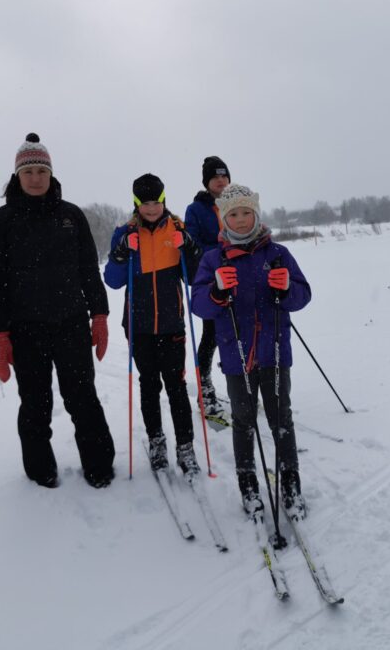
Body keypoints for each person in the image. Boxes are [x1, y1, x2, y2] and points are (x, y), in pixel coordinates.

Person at [0, 133, 116, 489]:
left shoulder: (71, 216)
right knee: (35, 404)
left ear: (51, 173)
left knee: (83, 398)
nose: (36, 178)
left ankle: (100, 466)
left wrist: (99, 315)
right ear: (17, 176)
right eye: (28, 172)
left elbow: (89, 270)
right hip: (25, 330)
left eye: (42, 171)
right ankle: (41, 472)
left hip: (71, 324)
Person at [192, 184, 312, 520]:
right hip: (237, 356)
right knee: (243, 421)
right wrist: (217, 291)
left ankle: (291, 483)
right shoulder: (214, 259)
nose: (242, 219)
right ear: (224, 218)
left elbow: (303, 295)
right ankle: (248, 484)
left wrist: (286, 288)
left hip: (275, 353)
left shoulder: (277, 254)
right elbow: (199, 304)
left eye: (247, 212)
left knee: (281, 419)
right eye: (234, 214)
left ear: (256, 215)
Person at [104, 174, 204, 477]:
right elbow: (113, 280)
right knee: (148, 385)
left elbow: (194, 277)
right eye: (145, 203)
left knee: (176, 387)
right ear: (136, 204)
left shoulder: (178, 229)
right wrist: (121, 252)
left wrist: (190, 248)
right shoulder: (125, 233)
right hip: (139, 327)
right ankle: (157, 441)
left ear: (163, 200)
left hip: (172, 324)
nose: (151, 208)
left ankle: (185, 447)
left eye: (156, 202)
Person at [184, 156, 231, 421]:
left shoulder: (237, 202)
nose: (221, 181)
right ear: (207, 182)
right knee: (211, 336)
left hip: (240, 279)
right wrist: (223, 251)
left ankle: (241, 386)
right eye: (215, 177)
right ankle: (205, 391)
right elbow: (193, 245)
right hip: (212, 281)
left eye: (224, 176)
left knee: (239, 333)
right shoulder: (196, 209)